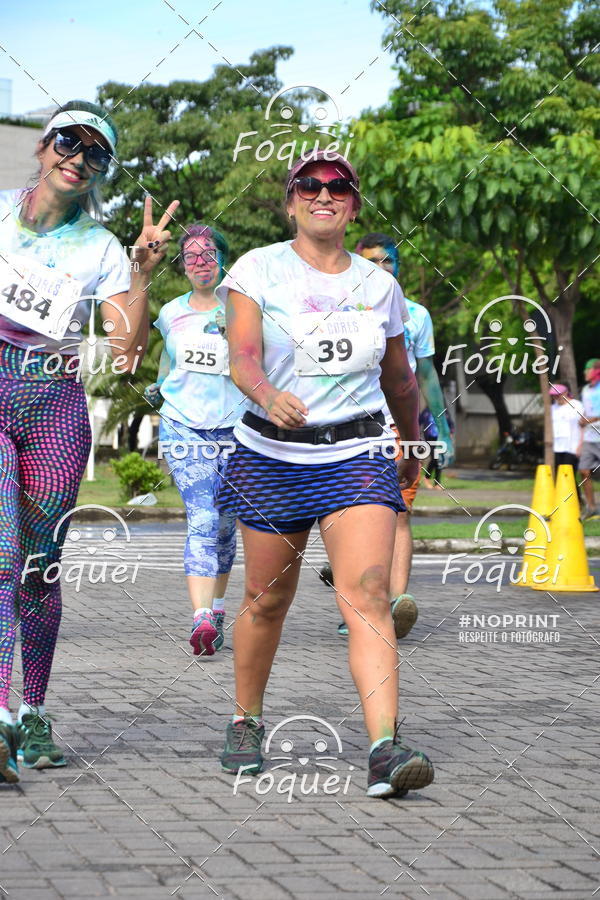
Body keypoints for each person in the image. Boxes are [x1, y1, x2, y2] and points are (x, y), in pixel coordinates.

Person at [215, 151, 434, 798]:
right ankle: (246, 719)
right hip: (272, 456)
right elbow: (243, 354)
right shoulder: (257, 269)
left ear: (354, 205)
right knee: (266, 600)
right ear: (291, 202)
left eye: (339, 187)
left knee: (367, 592)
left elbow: (399, 377)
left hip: (357, 454)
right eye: (309, 185)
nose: (324, 194)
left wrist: (415, 440)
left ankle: (384, 749)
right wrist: (263, 391)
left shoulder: (378, 286)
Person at [0, 100, 178, 782]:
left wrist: (141, 270)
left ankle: (35, 711)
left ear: (100, 171)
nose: (78, 157)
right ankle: (1, 717)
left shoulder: (103, 248)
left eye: (95, 153)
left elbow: (127, 349)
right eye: (69, 142)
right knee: (2, 552)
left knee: (38, 571)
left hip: (55, 411)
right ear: (44, 148)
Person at [322, 233, 454, 639]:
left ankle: (395, 604)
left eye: (387, 262)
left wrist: (441, 432)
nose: (379, 270)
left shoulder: (416, 315)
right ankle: (355, 599)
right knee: (346, 514)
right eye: (370, 262)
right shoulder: (330, 311)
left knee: (397, 513)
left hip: (398, 427)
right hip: (347, 426)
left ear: (398, 267)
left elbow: (426, 376)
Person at [147, 224, 242, 656]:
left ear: (223, 258)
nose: (200, 263)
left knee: (224, 526)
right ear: (182, 264)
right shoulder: (170, 312)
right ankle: (201, 617)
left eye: (208, 255)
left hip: (238, 430)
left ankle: (218, 607)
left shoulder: (246, 308)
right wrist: (159, 384)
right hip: (184, 426)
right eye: (191, 256)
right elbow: (169, 356)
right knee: (202, 517)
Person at [550, 384, 583, 497]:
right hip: (557, 447)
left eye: (558, 395)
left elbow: (584, 426)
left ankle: (577, 501)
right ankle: (565, 502)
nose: (556, 398)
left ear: (565, 393)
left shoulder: (576, 405)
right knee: (559, 476)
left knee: (569, 475)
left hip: (572, 447)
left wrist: (580, 445)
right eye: (553, 396)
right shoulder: (553, 408)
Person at [579, 359, 600, 519]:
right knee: (584, 470)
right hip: (588, 436)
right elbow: (587, 411)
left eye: (587, 369)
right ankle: (592, 507)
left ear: (596, 371)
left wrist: (589, 420)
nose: (585, 372)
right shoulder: (586, 389)